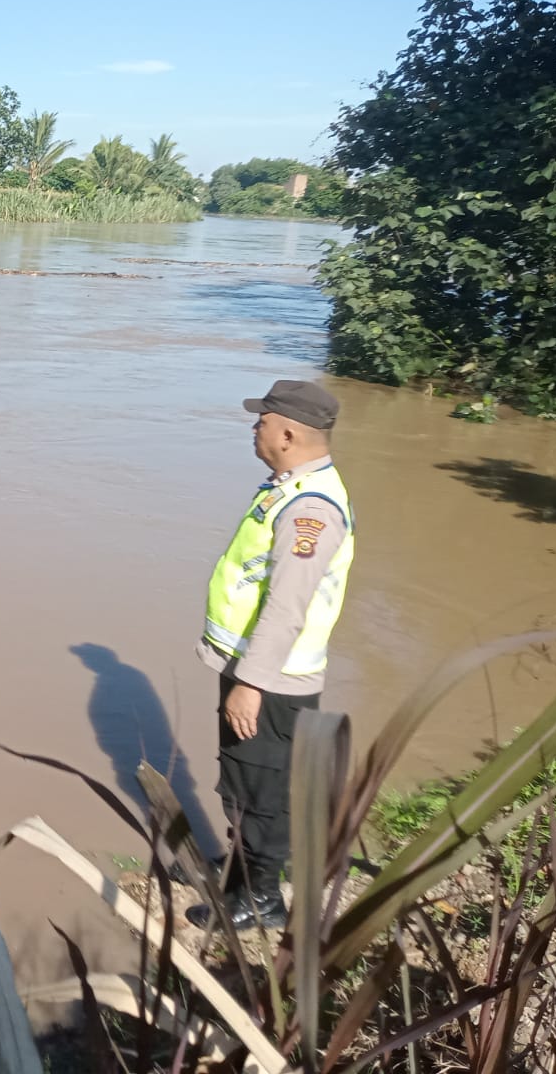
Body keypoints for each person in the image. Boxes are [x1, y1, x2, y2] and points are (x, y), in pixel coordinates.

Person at [184, 379, 354, 931]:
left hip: (273, 680)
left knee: (262, 787)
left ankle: (259, 899)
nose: (253, 429)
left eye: (260, 422)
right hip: (258, 667)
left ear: (287, 433)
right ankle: (241, 870)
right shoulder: (289, 486)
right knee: (244, 776)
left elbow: (288, 607)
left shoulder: (311, 510)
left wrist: (250, 683)